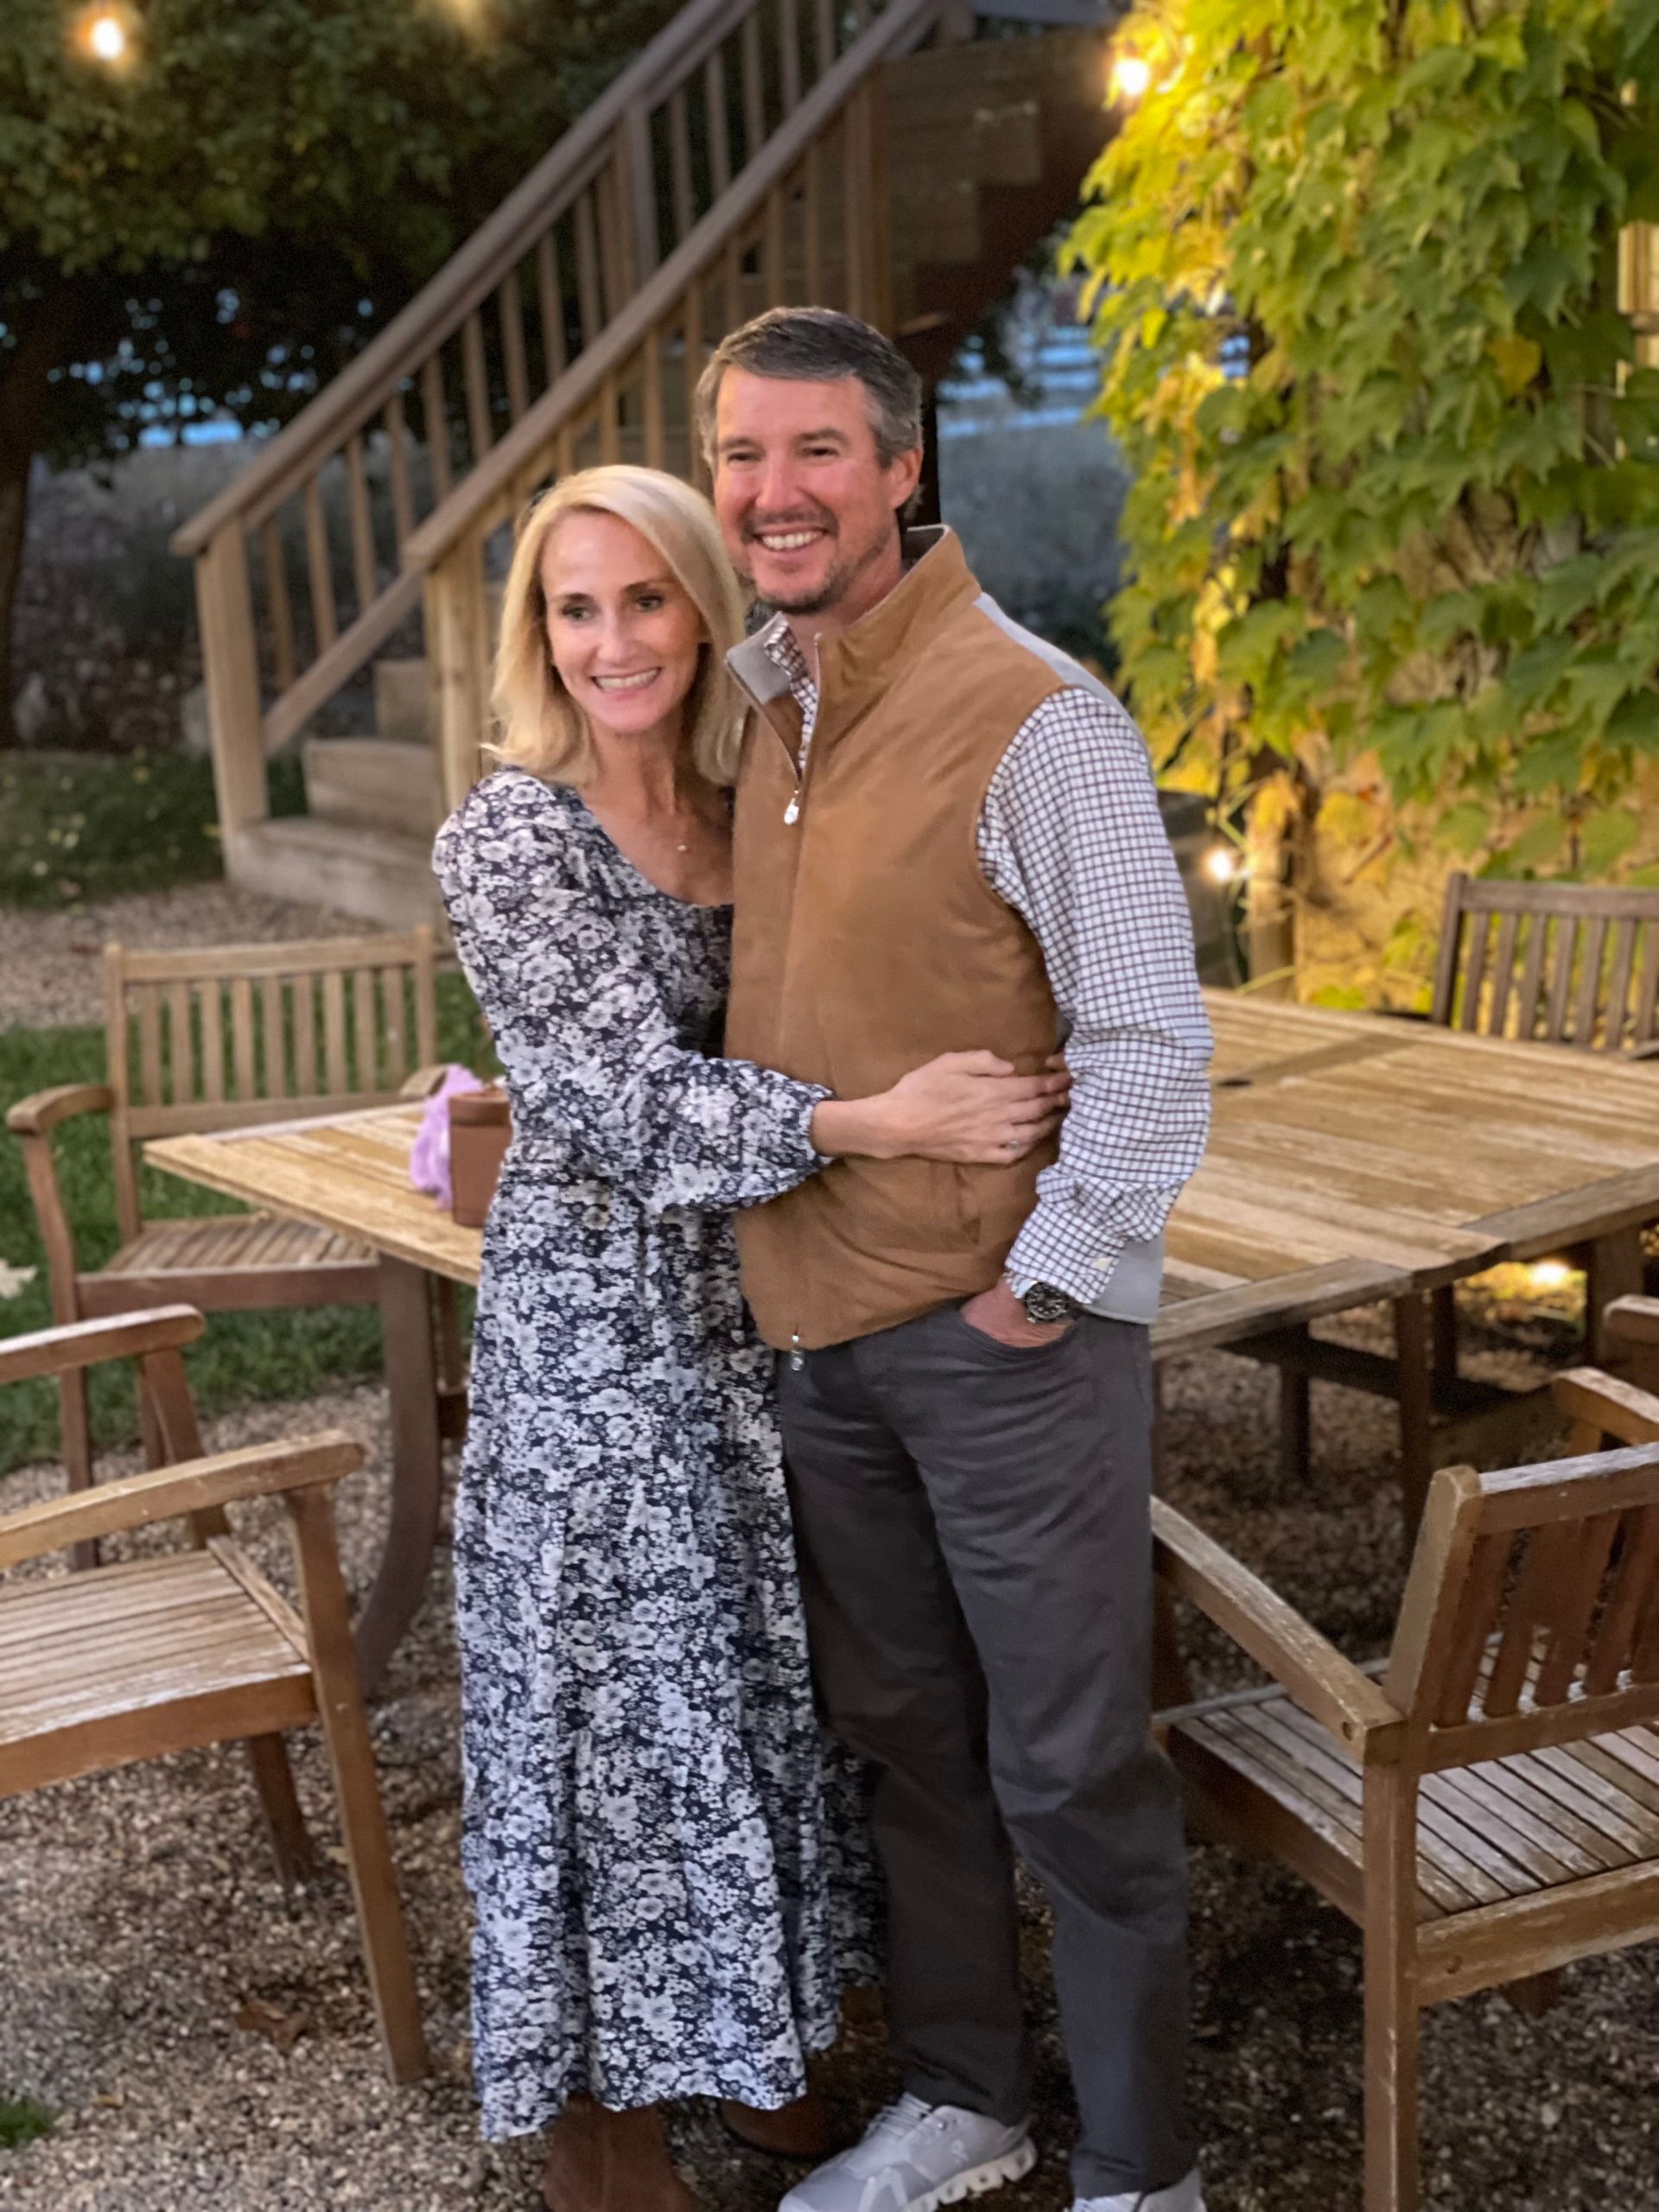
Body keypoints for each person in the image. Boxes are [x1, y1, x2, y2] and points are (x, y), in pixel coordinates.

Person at [431, 463, 1070, 2212]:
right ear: (536, 636)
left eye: (647, 598)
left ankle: (753, 2026)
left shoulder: (754, 786)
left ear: (709, 605)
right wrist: (883, 1119)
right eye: (576, 606)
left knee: (765, 1683)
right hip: (601, 1331)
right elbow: (626, 1105)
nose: (615, 639)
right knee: (614, 1701)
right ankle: (598, 2105)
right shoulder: (507, 831)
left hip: (771, 1298)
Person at [700, 308, 1215, 2212]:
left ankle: (1145, 2168)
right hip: (823, 1338)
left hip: (1004, 1340)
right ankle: (966, 2098)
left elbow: (1152, 1045)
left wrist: (1051, 1286)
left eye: (818, 451)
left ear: (904, 468)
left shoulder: (1038, 714)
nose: (775, 491)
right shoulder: (768, 703)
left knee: (1074, 1766)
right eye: (745, 455)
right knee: (905, 1744)